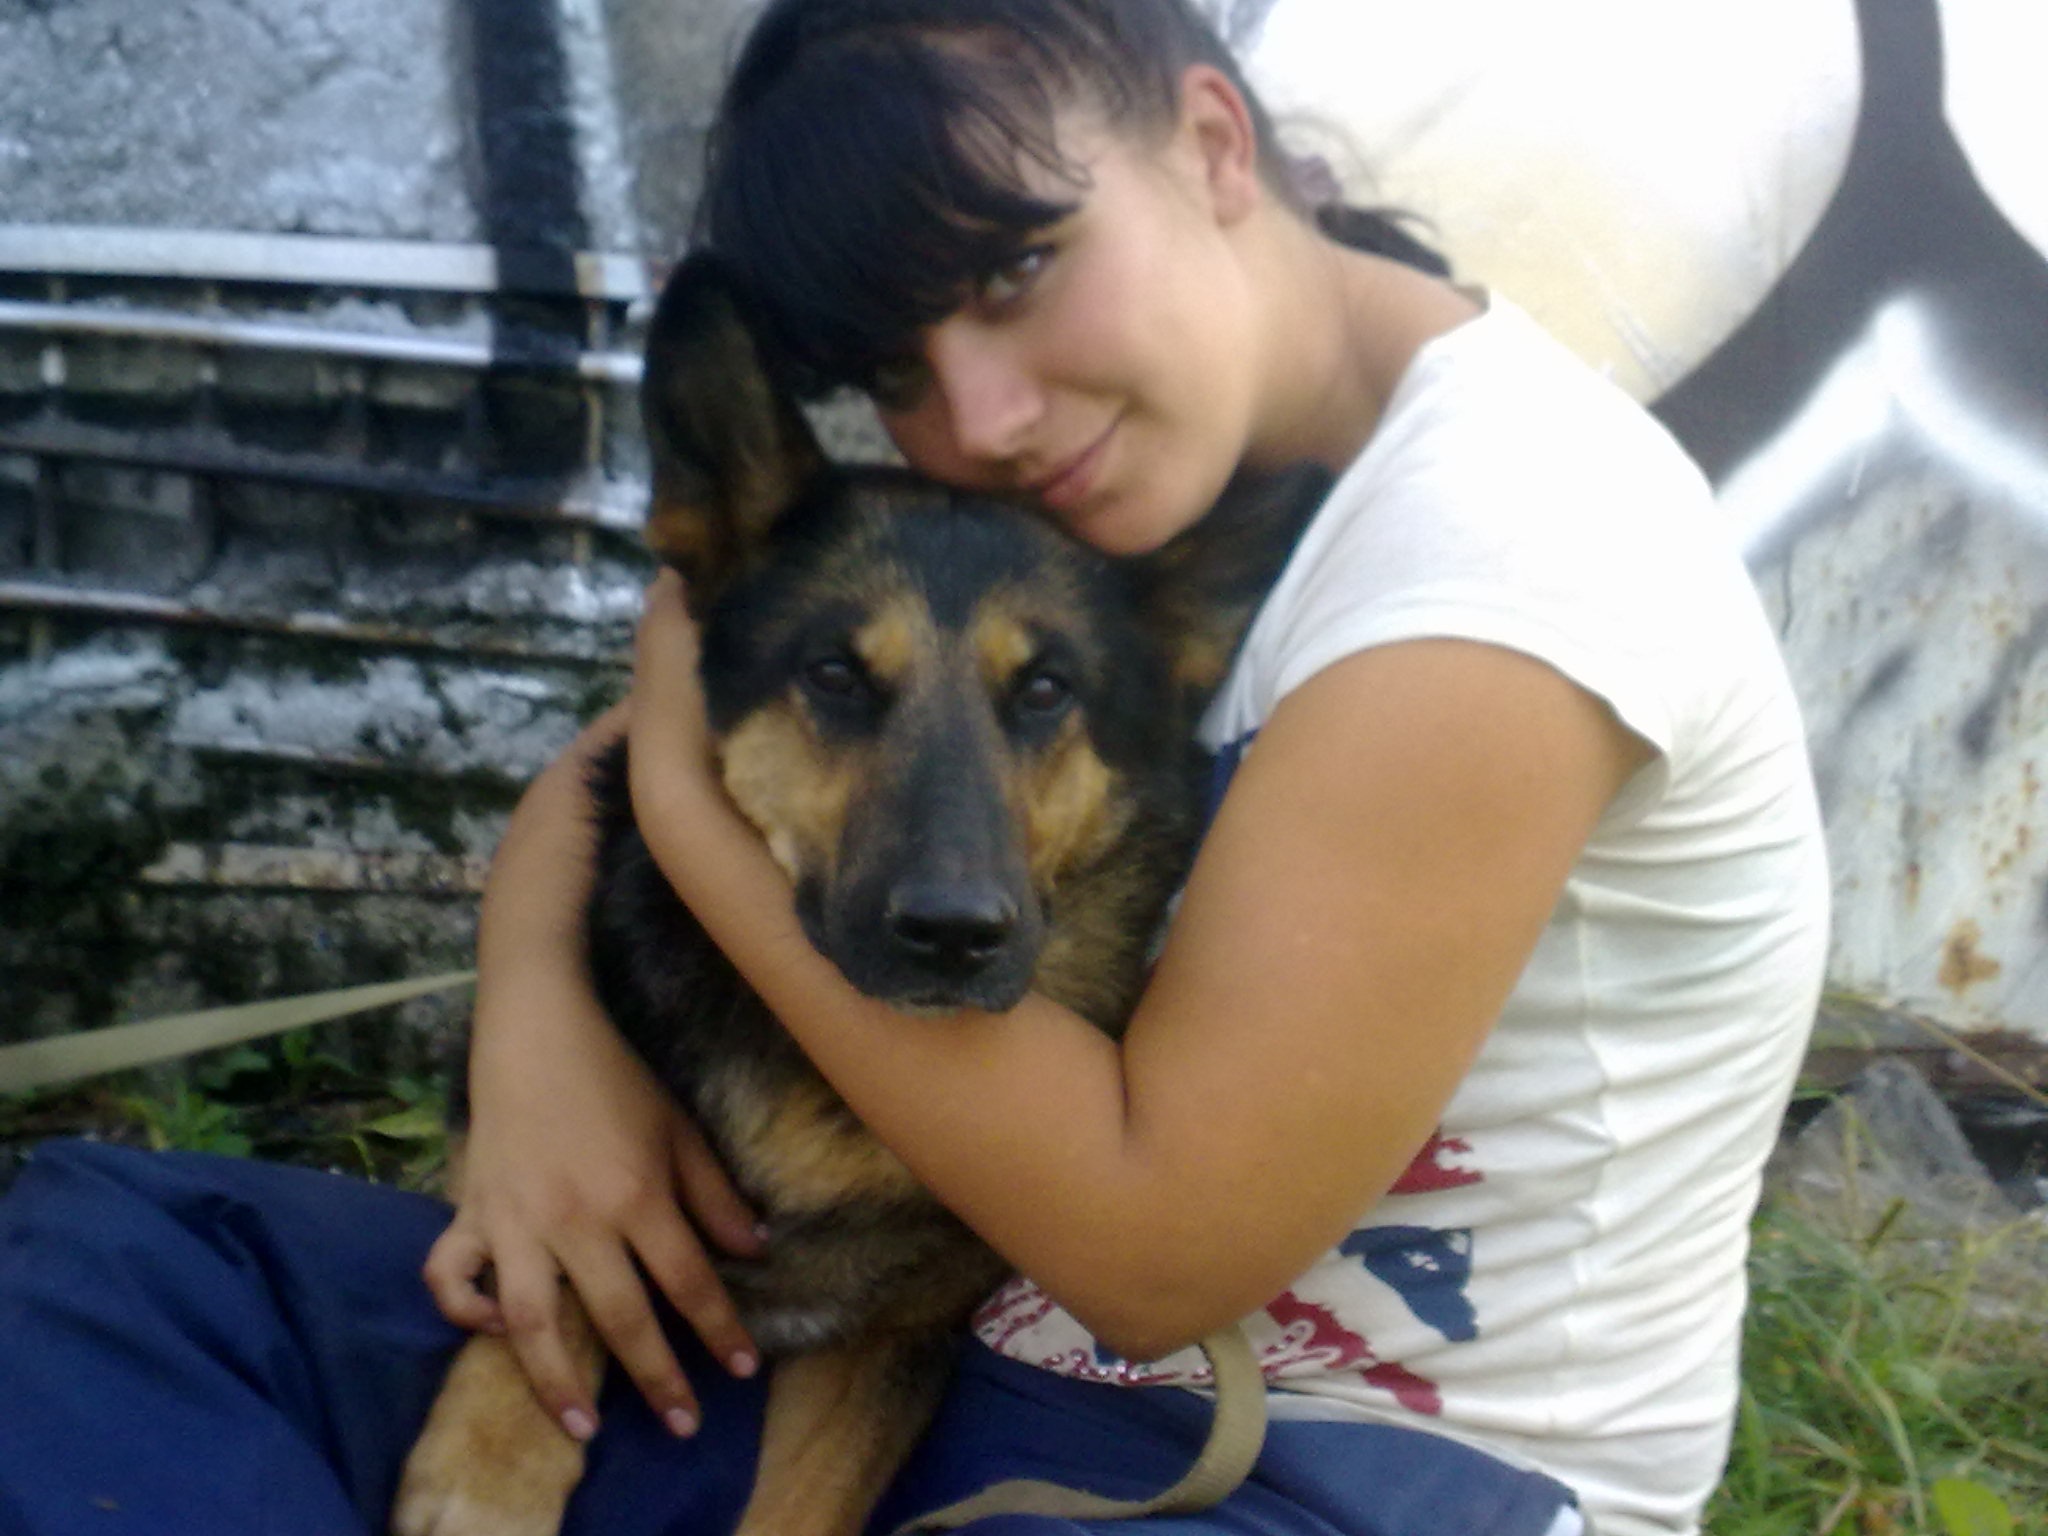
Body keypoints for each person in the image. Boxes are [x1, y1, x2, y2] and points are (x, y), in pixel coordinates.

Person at [0, 3, 1828, 1534]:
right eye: (897, 366)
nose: (982, 417)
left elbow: (1155, 1255)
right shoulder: (1119, 487)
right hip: (946, 1368)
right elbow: (648, 751)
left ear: (1212, 144)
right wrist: (541, 1039)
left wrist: (686, 814)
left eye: (1020, 269)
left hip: (1336, 1477)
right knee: (129, 1258)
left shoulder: (1502, 556)